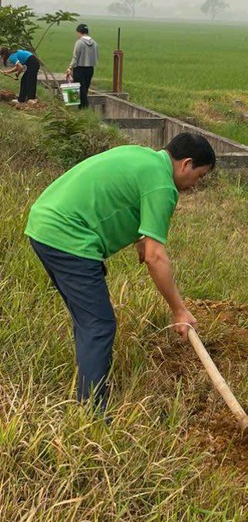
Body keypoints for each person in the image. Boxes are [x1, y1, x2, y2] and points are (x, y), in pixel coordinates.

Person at [25, 132, 217, 409]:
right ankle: (92, 412)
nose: (195, 185)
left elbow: (120, 194)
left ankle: (89, 384)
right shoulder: (162, 185)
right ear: (186, 164)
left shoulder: (141, 156)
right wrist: (179, 310)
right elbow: (156, 258)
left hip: (44, 224)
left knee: (89, 320)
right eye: (199, 176)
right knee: (99, 325)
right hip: (68, 237)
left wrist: (140, 238)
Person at [65, 23, 99, 110]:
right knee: (85, 90)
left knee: (81, 90)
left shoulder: (79, 43)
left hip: (79, 69)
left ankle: (85, 108)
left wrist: (70, 67)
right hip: (90, 69)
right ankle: (82, 109)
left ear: (79, 32)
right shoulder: (95, 43)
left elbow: (75, 57)